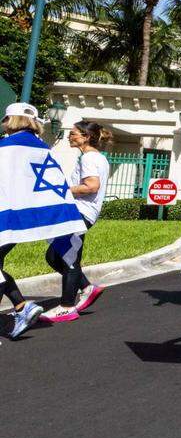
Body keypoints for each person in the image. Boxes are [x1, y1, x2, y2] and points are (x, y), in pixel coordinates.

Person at [40, 120, 112, 323]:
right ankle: (87, 287)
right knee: (54, 256)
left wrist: (61, 189)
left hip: (80, 213)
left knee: (68, 259)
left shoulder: (89, 158)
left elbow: (91, 186)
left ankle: (66, 306)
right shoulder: (95, 157)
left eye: (73, 134)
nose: (69, 137)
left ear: (86, 137)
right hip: (80, 213)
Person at [0, 104, 47, 337]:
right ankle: (21, 306)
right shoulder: (41, 147)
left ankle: (21, 308)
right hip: (24, 218)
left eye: (5, 117)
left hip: (5, 216)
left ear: (12, 119)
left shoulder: (7, 147)